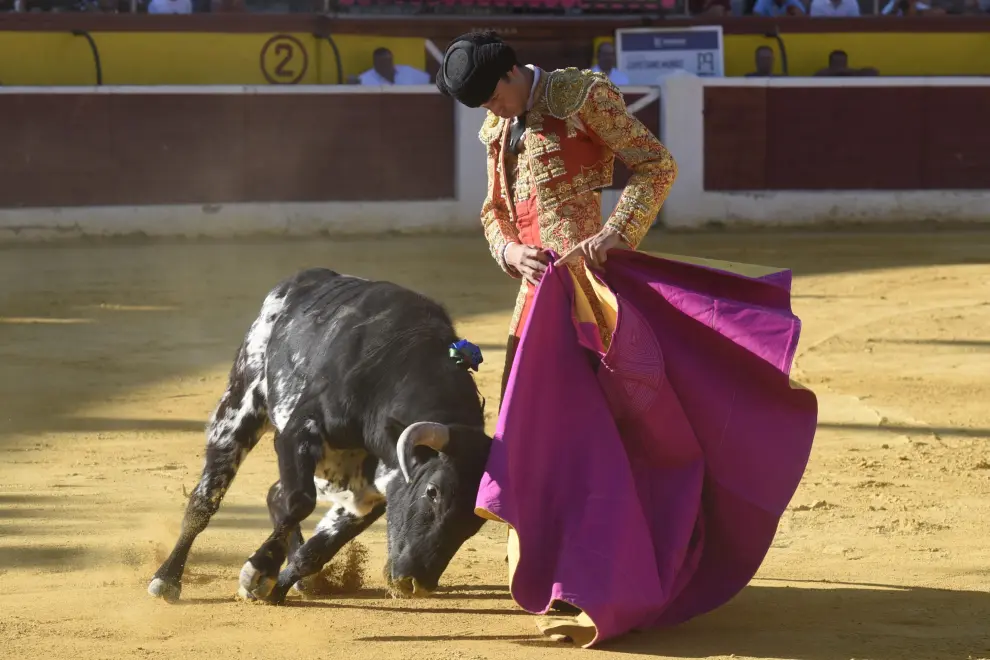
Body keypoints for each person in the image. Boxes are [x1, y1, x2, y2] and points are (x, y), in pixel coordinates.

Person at [434, 31, 678, 400]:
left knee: (603, 396)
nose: (495, 111)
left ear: (511, 71)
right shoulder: (498, 127)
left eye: (496, 98)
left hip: (585, 281)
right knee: (524, 403)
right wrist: (510, 251)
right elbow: (494, 209)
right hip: (535, 287)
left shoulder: (579, 96)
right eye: (486, 106)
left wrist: (619, 231)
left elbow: (657, 165)